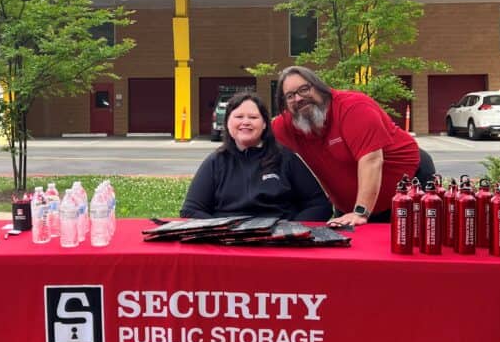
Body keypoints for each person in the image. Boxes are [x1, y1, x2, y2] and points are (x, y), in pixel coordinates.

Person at [272, 67, 436, 226]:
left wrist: (360, 212)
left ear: (320, 87)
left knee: (412, 242)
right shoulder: (286, 126)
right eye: (290, 96)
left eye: (304, 89)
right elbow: (260, 139)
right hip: (351, 207)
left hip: (408, 186)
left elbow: (372, 160)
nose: (298, 98)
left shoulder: (353, 107)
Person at [181, 91, 331, 221]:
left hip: (277, 238)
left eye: (253, 117)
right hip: (229, 239)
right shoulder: (215, 162)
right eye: (239, 116)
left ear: (264, 124)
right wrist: (221, 231)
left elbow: (320, 205)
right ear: (227, 123)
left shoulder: (286, 158)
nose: (245, 122)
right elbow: (191, 210)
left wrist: (291, 230)